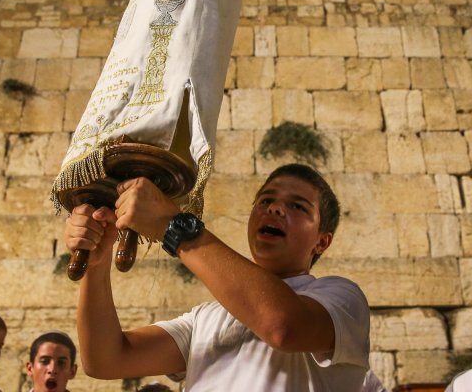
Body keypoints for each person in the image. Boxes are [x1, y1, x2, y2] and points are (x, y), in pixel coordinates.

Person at [65, 163, 370, 390]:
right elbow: (106, 359)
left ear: (322, 241)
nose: (275, 208)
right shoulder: (205, 319)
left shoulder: (342, 299)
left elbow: (282, 326)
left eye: (297, 206)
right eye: (265, 201)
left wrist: (173, 226)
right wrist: (97, 263)